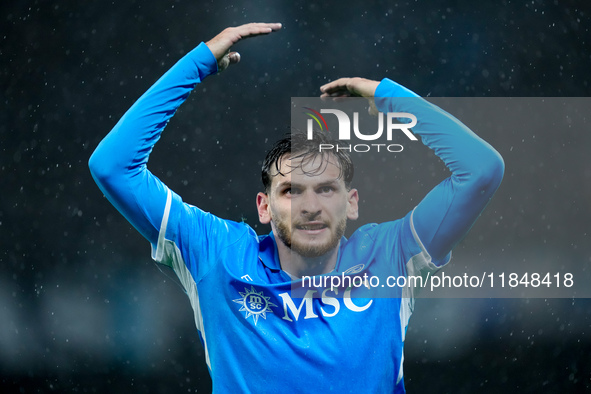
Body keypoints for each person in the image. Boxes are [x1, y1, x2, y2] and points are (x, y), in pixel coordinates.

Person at [89, 23, 504, 393]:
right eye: (290, 191)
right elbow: (113, 167)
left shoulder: (390, 257)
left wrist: (385, 97)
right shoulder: (217, 255)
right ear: (264, 207)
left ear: (352, 203)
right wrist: (198, 63)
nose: (310, 206)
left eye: (326, 189)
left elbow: (482, 169)